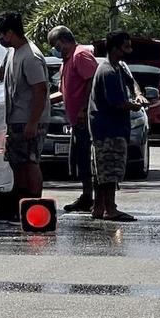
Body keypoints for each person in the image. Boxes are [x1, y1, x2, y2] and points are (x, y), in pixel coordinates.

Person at [0, 12, 49, 224]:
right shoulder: (12, 53)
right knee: (18, 163)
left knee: (30, 162)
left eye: (1, 34)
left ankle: (35, 205)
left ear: (10, 32)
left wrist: (33, 123)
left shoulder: (31, 56)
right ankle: (22, 205)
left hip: (28, 120)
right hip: (16, 119)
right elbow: (0, 73)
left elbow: (41, 90)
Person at [89, 32, 147, 222]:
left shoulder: (120, 67)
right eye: (126, 46)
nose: (129, 50)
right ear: (114, 48)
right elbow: (118, 103)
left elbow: (132, 82)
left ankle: (98, 207)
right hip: (108, 130)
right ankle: (110, 209)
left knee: (102, 171)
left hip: (112, 129)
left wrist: (138, 94)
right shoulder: (108, 71)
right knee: (109, 171)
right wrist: (135, 105)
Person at [48, 26, 98, 214]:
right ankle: (87, 196)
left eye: (55, 44)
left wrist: (84, 109)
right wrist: (44, 102)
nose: (55, 49)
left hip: (84, 118)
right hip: (75, 121)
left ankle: (92, 198)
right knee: (80, 160)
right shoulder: (66, 62)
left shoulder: (80, 55)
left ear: (63, 41)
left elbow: (92, 80)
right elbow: (64, 92)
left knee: (88, 158)